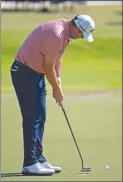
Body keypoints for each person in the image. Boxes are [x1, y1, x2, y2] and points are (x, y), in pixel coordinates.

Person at [10, 15, 95, 176]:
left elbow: (58, 59)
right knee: (32, 118)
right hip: (24, 72)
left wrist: (59, 82)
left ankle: (39, 159)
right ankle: (30, 163)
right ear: (77, 28)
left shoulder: (67, 34)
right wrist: (56, 89)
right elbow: (49, 66)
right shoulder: (57, 34)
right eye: (82, 34)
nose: (82, 37)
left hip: (36, 74)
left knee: (40, 116)